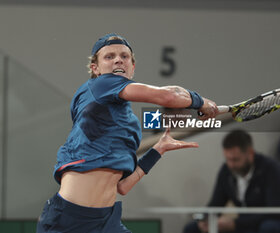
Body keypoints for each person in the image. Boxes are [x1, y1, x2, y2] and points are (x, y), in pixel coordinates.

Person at [36, 33, 219, 233]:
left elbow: (122, 186)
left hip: (106, 222)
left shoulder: (129, 125)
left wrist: (158, 150)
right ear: (95, 69)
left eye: (124, 56)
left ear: (132, 67)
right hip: (69, 220)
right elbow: (168, 95)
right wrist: (201, 102)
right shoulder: (100, 85)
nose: (118, 59)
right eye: (109, 56)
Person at [183, 129, 280, 233]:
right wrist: (202, 218)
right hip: (246, 225)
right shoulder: (227, 171)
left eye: (236, 160)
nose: (231, 165)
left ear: (250, 154)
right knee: (192, 228)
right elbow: (215, 204)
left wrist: (235, 224)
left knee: (268, 227)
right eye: (228, 159)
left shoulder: (271, 169)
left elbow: (275, 212)